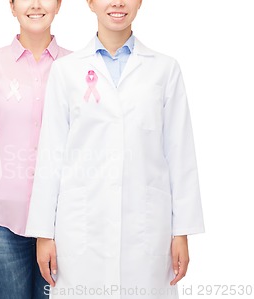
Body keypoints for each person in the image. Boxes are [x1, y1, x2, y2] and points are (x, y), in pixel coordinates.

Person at [26, 0, 205, 298]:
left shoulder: (165, 69)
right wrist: (44, 233)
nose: (118, 3)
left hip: (146, 228)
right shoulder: (66, 71)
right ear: (91, 3)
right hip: (81, 227)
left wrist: (181, 232)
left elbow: (180, 153)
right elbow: (51, 155)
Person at [0, 0, 70, 298]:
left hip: (62, 223)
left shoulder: (76, 67)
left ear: (59, 5)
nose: (35, 5)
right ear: (11, 6)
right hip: (1, 222)